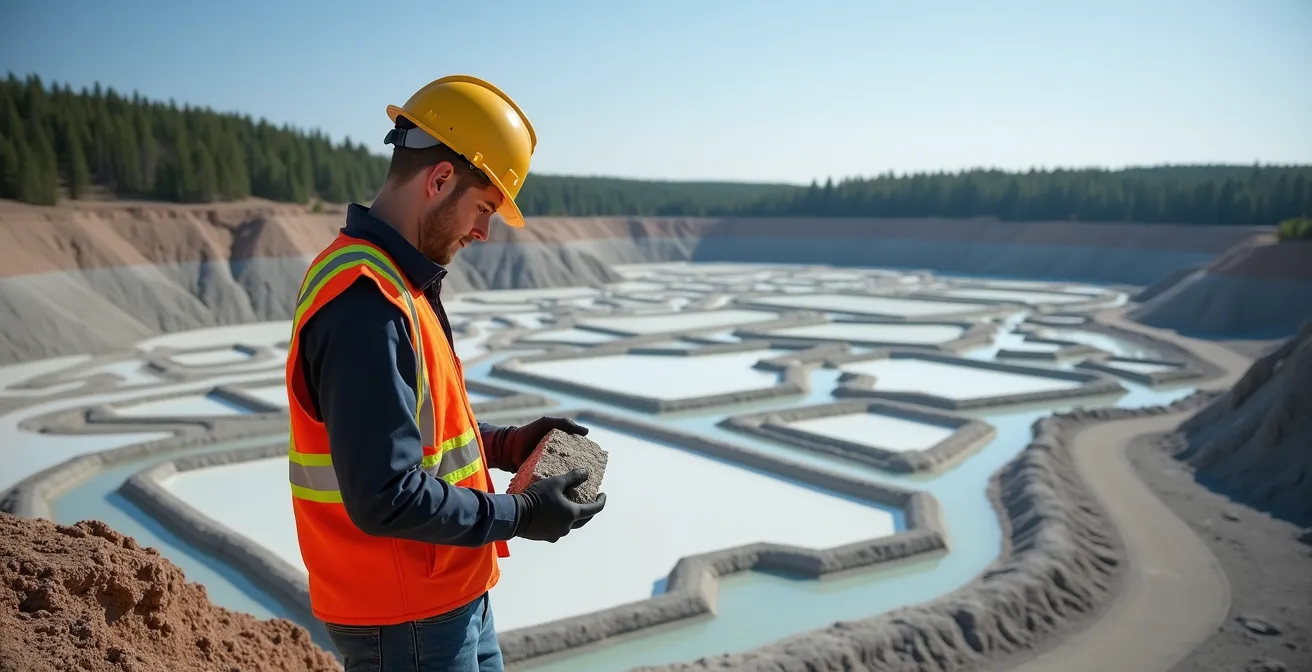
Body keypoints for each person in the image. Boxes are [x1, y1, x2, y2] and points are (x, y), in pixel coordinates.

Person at [283, 75, 607, 672]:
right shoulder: (366, 302)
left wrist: (508, 445)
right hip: (404, 619)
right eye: (483, 208)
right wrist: (523, 514)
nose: (483, 232)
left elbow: (412, 434)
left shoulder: (397, 284)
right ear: (439, 181)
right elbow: (385, 495)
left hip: (445, 597)